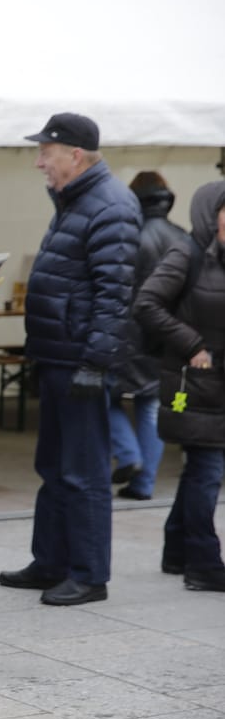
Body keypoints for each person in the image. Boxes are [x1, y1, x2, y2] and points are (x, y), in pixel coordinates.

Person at [0, 113, 139, 606]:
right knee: (54, 466)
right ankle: (51, 561)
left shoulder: (109, 206)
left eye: (46, 152)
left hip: (80, 360)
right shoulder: (77, 200)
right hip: (58, 355)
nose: (39, 162)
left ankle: (88, 573)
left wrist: (94, 362)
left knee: (84, 470)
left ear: (74, 154)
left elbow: (114, 294)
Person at [133, 180, 225, 592]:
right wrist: (193, 344)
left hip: (218, 386)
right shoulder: (186, 253)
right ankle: (204, 564)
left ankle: (176, 551)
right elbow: (146, 303)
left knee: (198, 471)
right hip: (195, 383)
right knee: (207, 470)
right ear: (211, 213)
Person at [109, 171, 192, 500]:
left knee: (103, 396)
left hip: (128, 334)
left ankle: (129, 455)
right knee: (153, 404)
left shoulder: (128, 237)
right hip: (169, 335)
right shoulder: (184, 237)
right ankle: (143, 484)